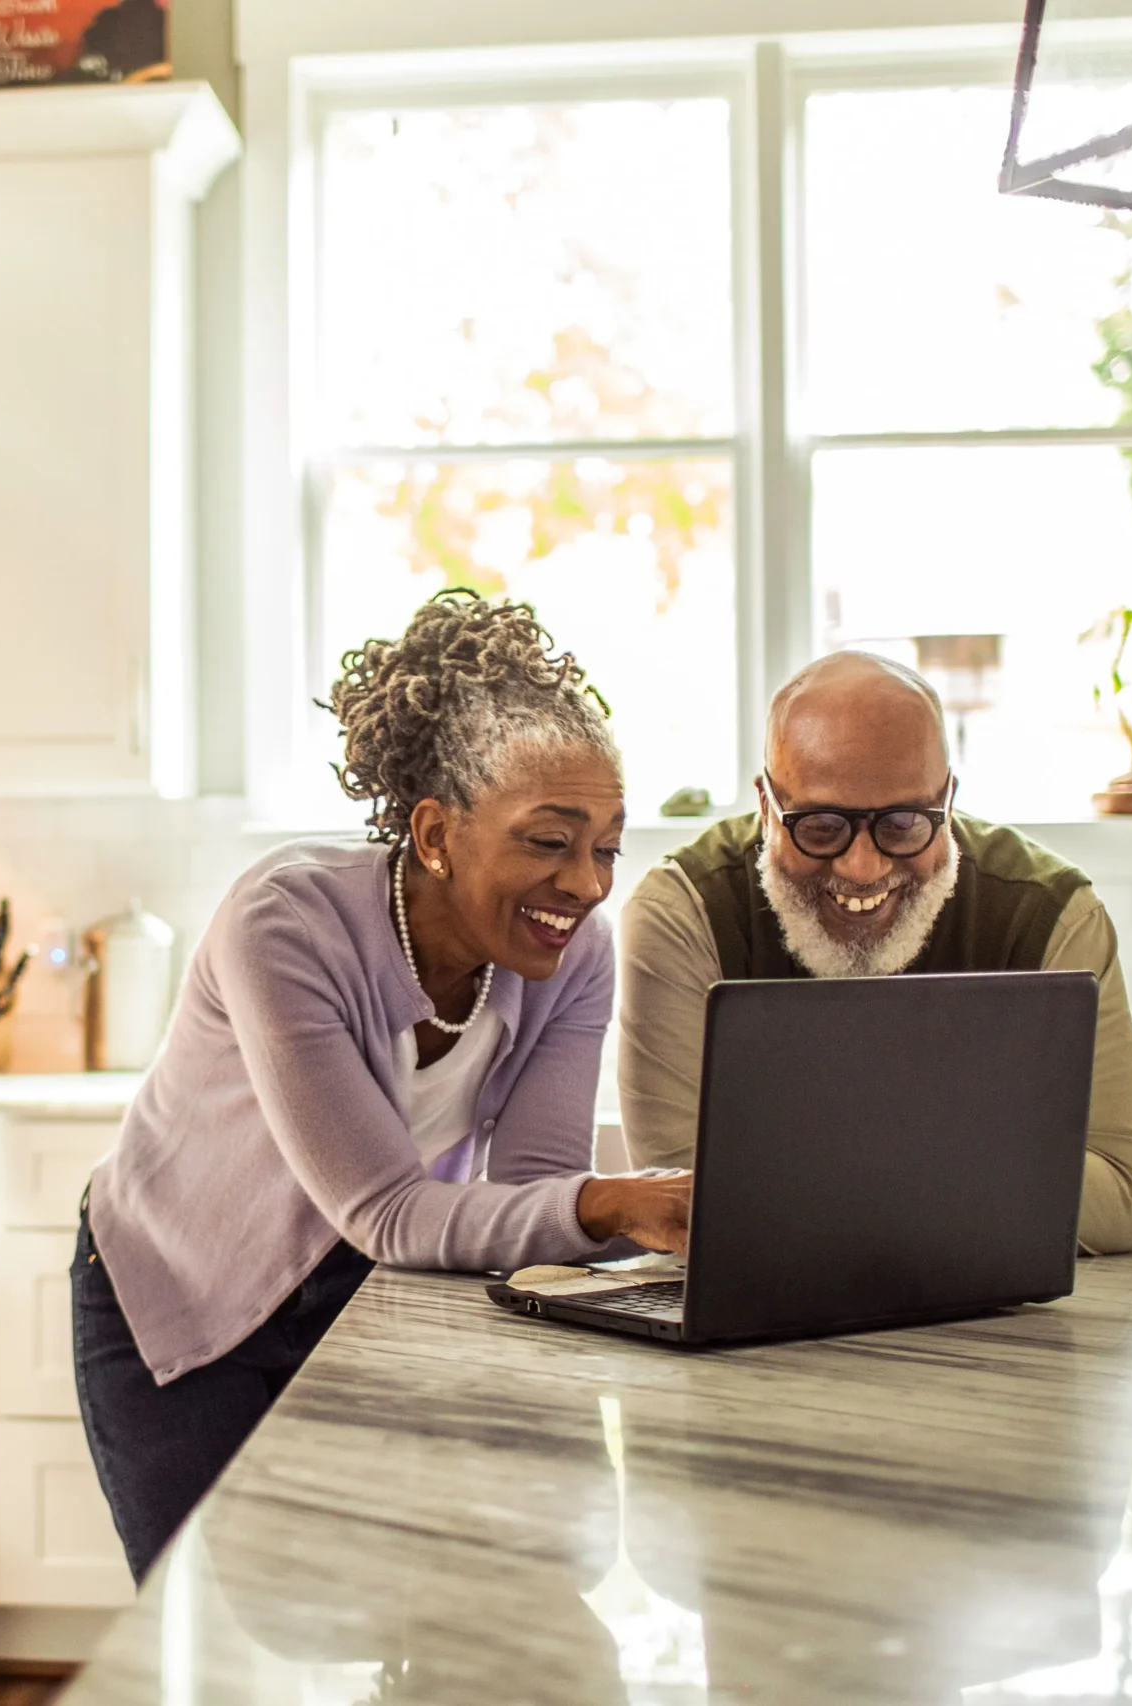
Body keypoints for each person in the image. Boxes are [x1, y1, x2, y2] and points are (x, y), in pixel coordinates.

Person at [76, 591, 693, 1579]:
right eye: (549, 839)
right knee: (206, 1635)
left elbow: (531, 1194)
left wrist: (680, 1209)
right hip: (179, 1289)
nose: (585, 883)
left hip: (362, 1297)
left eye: (606, 847)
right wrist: (622, 1200)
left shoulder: (574, 956)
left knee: (378, 1604)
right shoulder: (284, 922)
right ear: (437, 830)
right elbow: (387, 1209)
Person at [617, 650, 1132, 1253]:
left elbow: (1124, 1198)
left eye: (903, 824)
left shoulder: (1052, 914)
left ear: (948, 801)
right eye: (821, 826)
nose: (863, 866)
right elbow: (682, 1205)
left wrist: (799, 1163)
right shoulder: (683, 913)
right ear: (766, 805)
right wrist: (980, 1164)